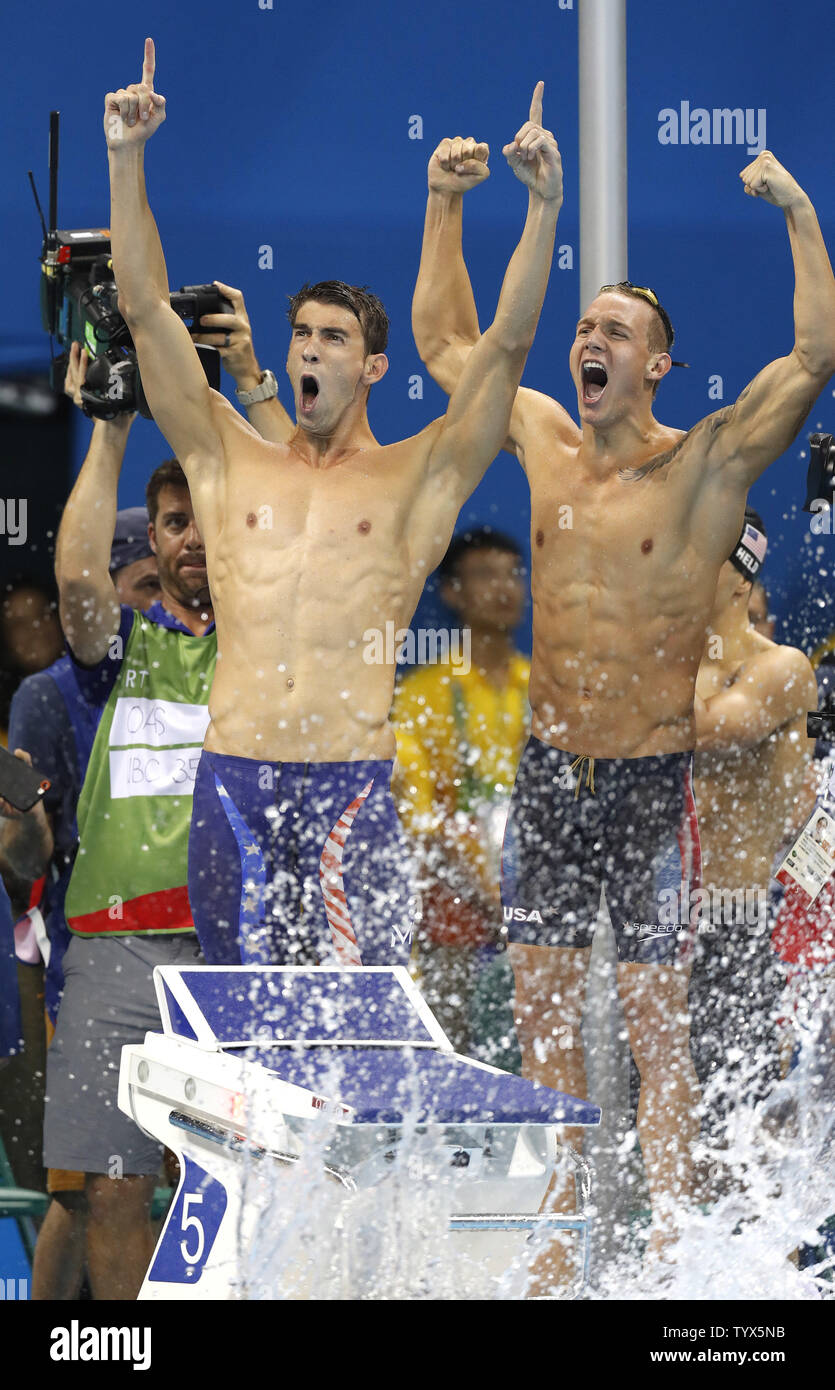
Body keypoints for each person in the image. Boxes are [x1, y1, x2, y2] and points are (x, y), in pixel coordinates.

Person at [411, 131, 835, 1279]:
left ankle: (673, 1255)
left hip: (652, 789)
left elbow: (812, 352)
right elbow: (449, 343)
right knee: (546, 1032)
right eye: (584, 325)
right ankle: (552, 1254)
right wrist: (446, 204)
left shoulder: (702, 465)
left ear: (658, 364)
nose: (590, 341)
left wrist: (797, 208)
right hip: (552, 777)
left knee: (656, 1032)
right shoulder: (544, 436)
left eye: (618, 332)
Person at [104, 42, 562, 971]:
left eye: (332, 337)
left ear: (373, 365)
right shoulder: (228, 457)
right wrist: (127, 155)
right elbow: (146, 311)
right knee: (238, 1037)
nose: (309, 350)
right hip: (232, 784)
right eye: (300, 334)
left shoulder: (414, 480)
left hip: (350, 791)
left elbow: (505, 346)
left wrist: (540, 204)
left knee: (353, 1039)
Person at [691, 510, 818, 1155]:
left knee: (740, 1141)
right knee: (654, 1127)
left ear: (741, 581)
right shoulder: (657, 670)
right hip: (653, 923)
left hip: (741, 927)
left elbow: (717, 728)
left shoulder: (782, 667)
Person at [392, 528, 529, 1055]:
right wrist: (496, 900)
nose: (504, 588)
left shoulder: (542, 688)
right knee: (452, 1059)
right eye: (485, 575)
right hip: (454, 919)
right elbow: (422, 824)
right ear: (451, 592)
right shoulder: (421, 696)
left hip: (533, 913)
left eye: (513, 575)